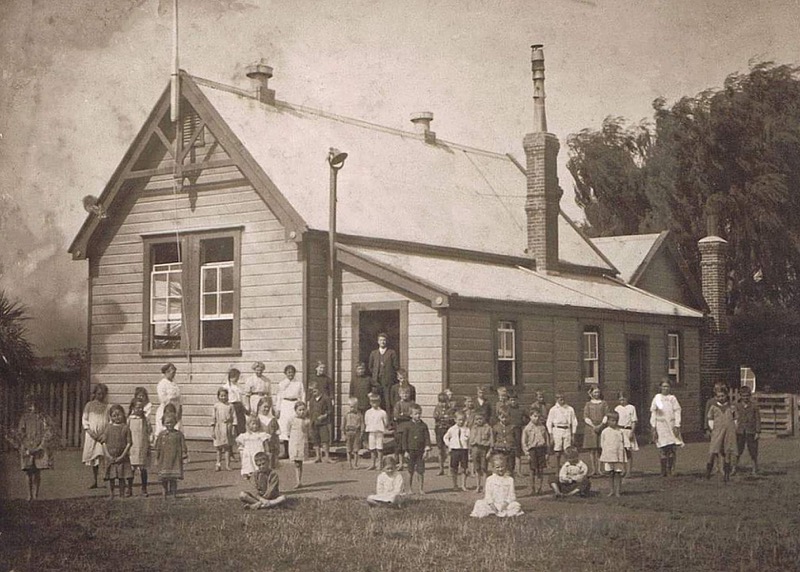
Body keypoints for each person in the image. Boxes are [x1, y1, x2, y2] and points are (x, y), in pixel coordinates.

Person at [7, 394, 56, 501]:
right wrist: (26, 445)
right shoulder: (25, 418)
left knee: (37, 471)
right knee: (28, 471)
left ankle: (35, 494)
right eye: (31, 405)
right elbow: (21, 433)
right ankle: (29, 495)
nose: (34, 407)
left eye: (36, 405)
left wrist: (41, 445)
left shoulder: (43, 418)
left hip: (39, 446)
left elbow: (49, 431)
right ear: (28, 406)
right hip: (27, 447)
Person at [470, 454, 523, 518]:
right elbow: (488, 496)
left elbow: (512, 495)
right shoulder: (490, 479)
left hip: (505, 504)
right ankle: (495, 512)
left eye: (502, 467)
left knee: (516, 505)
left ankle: (499, 513)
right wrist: (492, 505)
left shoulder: (510, 479)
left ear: (506, 467)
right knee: (479, 503)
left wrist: (505, 504)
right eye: (497, 467)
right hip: (493, 504)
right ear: (493, 468)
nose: (500, 469)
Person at [650, 379, 682, 477]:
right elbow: (654, 412)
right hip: (661, 426)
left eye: (667, 386)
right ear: (660, 387)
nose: (665, 388)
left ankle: (670, 469)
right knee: (662, 448)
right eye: (663, 386)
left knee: (671, 448)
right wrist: (653, 427)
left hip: (671, 425)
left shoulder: (672, 398)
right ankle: (663, 470)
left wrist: (677, 425)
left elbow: (677, 411)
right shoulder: (657, 397)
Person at [705, 385, 737, 482]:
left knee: (727, 451)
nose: (721, 398)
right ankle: (708, 473)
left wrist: (734, 428)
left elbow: (735, 418)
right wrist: (712, 429)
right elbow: (710, 419)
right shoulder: (713, 407)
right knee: (713, 451)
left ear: (726, 395)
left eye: (722, 396)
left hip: (729, 432)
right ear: (716, 397)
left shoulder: (731, 407)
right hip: (717, 431)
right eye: (718, 396)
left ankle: (726, 474)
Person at [82, 383, 110, 489]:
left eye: (103, 394)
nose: (101, 396)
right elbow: (85, 420)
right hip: (92, 436)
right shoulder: (89, 405)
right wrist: (91, 433)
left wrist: (105, 434)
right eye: (98, 394)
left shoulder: (107, 407)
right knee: (94, 459)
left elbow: (110, 422)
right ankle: (94, 481)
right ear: (95, 394)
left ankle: (103, 480)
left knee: (102, 458)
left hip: (103, 437)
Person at [155, 409, 188, 499]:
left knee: (173, 479)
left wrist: (184, 456)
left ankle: (173, 495)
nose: (169, 425)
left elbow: (183, 446)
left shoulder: (178, 434)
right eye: (167, 423)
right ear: (163, 423)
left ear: (175, 423)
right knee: (164, 479)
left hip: (175, 459)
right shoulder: (161, 435)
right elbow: (158, 447)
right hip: (164, 460)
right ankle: (164, 495)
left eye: (171, 422)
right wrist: (156, 458)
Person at [104, 404, 133, 499]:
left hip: (122, 457)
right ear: (111, 417)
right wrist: (108, 455)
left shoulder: (125, 428)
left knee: (121, 477)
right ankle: (111, 494)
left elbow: (129, 443)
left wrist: (122, 456)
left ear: (123, 414)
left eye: (119, 415)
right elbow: (104, 442)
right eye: (114, 416)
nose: (117, 418)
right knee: (111, 477)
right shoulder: (108, 428)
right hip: (111, 457)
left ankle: (122, 494)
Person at [277, 364, 305, 459]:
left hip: (295, 405)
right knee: (285, 428)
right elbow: (279, 397)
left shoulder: (299, 383)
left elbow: (302, 395)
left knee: (295, 426)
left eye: (292, 372)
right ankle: (286, 452)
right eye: (288, 372)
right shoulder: (282, 383)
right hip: (285, 405)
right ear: (285, 373)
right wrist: (278, 409)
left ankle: (295, 451)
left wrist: (302, 406)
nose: (290, 374)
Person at [403, 403, 431, 495]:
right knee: (410, 471)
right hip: (410, 451)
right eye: (415, 414)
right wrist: (405, 451)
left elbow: (427, 438)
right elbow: (404, 439)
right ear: (411, 415)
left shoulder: (423, 426)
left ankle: (421, 489)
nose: (418, 415)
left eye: (419, 413)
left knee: (420, 471)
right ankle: (409, 489)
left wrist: (426, 450)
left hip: (420, 451)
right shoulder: (407, 426)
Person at [733, 386, 761, 475]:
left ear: (750, 396)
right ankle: (734, 468)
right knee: (738, 450)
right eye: (743, 396)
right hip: (740, 431)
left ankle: (754, 469)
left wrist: (757, 431)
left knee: (753, 450)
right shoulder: (736, 405)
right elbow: (733, 418)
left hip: (751, 431)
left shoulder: (754, 406)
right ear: (740, 396)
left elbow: (757, 419)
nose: (745, 398)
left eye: (747, 396)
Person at [127, 397, 152, 496]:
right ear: (133, 407)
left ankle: (144, 489)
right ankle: (129, 489)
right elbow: (126, 433)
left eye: (142, 407)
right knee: (131, 469)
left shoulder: (145, 420)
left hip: (142, 446)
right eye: (138, 407)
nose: (140, 409)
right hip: (132, 447)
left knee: (143, 469)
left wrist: (149, 443)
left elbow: (149, 432)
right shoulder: (129, 419)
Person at [368, 333, 399, 411]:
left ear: (386, 341)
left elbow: (396, 366)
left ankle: (387, 417)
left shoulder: (391, 353)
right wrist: (375, 374)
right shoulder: (374, 353)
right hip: (376, 382)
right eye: (381, 340)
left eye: (384, 340)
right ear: (378, 341)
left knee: (387, 401)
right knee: (376, 400)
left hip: (388, 381)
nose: (383, 342)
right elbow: (370, 367)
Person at [521, 409, 549, 496]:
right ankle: (532, 488)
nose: (536, 418)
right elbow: (524, 442)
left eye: (538, 417)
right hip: (532, 450)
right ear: (530, 416)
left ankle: (540, 488)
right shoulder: (527, 428)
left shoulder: (542, 427)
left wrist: (547, 452)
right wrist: (527, 453)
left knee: (541, 469)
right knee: (532, 469)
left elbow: (547, 440)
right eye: (535, 416)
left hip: (541, 449)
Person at [546, 393, 578, 470]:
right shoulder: (553, 409)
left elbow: (574, 422)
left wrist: (573, 434)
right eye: (559, 398)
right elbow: (549, 422)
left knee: (567, 450)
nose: (561, 399)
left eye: (563, 398)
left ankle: (567, 467)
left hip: (567, 430)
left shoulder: (570, 409)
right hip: (557, 430)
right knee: (558, 450)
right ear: (556, 399)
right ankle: (558, 468)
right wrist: (551, 435)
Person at [583, 387, 609, 476]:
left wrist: (601, 425)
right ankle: (593, 469)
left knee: (600, 449)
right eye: (595, 392)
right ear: (591, 393)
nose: (596, 394)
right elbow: (586, 416)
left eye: (598, 392)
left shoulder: (604, 403)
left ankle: (600, 469)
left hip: (601, 427)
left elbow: (606, 415)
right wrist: (593, 426)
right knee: (592, 449)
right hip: (591, 428)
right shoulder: (588, 404)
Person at [599, 411, 625, 497]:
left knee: (618, 473)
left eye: (616, 421)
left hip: (617, 455)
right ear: (608, 421)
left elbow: (622, 443)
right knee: (610, 473)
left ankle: (618, 491)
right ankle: (611, 490)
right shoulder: (605, 432)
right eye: (612, 420)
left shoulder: (620, 431)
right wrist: (605, 453)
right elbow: (602, 444)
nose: (614, 422)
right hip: (608, 455)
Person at [443, 411, 470, 491]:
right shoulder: (452, 429)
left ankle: (463, 485)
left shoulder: (467, 429)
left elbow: (468, 438)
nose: (461, 422)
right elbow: (445, 437)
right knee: (454, 468)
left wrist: (468, 445)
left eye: (463, 420)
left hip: (464, 450)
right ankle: (455, 484)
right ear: (455, 420)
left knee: (464, 468)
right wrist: (449, 445)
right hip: (455, 450)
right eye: (459, 420)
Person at [307, 382, 334, 463]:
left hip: (323, 423)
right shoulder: (312, 400)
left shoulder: (326, 398)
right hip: (314, 423)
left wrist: (324, 415)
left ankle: (327, 457)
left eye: (315, 391)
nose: (313, 393)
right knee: (316, 440)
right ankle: (318, 457)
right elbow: (310, 411)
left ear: (319, 389)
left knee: (325, 440)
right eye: (311, 391)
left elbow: (330, 410)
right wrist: (310, 421)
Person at [614, 392, 639, 477]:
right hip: (619, 430)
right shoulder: (617, 408)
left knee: (628, 451)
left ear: (627, 399)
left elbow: (633, 421)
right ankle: (622, 469)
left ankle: (629, 471)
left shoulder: (631, 407)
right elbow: (615, 421)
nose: (622, 401)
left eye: (623, 399)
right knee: (621, 451)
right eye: (620, 400)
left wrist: (632, 431)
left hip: (628, 430)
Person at [287, 401, 311, 489]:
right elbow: (288, 429)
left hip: (302, 442)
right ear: (295, 410)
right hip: (294, 442)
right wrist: (289, 435)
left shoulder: (306, 420)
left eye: (303, 410)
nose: (302, 412)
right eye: (299, 410)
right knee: (296, 462)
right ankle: (298, 480)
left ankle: (299, 481)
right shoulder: (291, 419)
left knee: (299, 462)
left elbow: (308, 431)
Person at [211, 387, 235, 471]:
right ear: (218, 396)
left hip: (227, 427)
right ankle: (218, 464)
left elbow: (234, 417)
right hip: (218, 428)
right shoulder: (216, 406)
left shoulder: (230, 406)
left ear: (227, 396)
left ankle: (227, 465)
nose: (223, 397)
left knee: (227, 447)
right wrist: (213, 430)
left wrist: (233, 428)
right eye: (221, 396)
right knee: (218, 448)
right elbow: (213, 418)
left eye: (225, 395)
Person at [432, 391, 455, 476]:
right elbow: (435, 416)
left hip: (448, 430)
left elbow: (452, 418)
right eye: (441, 402)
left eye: (445, 402)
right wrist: (444, 417)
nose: (443, 404)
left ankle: (449, 469)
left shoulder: (451, 409)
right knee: (440, 450)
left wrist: (446, 417)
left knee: (449, 450)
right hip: (439, 430)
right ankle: (441, 468)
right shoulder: (437, 408)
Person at [469, 412, 493, 493]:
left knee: (484, 469)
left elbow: (491, 441)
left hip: (484, 449)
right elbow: (470, 440)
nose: (479, 421)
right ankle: (478, 486)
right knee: (477, 469)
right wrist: (470, 452)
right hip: (475, 449)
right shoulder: (473, 428)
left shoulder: (488, 428)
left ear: (484, 419)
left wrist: (490, 451)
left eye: (480, 419)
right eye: (477, 419)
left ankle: (485, 487)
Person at [392, 385, 415, 469]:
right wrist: (406, 416)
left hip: (410, 427)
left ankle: (409, 462)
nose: (405, 395)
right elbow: (396, 416)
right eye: (403, 393)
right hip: (400, 428)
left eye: (407, 393)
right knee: (401, 446)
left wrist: (403, 414)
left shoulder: (412, 403)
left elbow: (412, 414)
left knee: (410, 445)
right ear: (399, 394)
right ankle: (401, 463)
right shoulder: (398, 404)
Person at [506, 390, 527, 477]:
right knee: (509, 450)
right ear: (508, 401)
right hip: (509, 432)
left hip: (518, 431)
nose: (513, 402)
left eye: (514, 400)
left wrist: (523, 424)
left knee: (518, 451)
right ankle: (509, 470)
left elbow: (527, 418)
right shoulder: (507, 410)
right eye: (511, 400)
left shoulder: (521, 410)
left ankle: (519, 471)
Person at [156, 363, 181, 436]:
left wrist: (179, 411)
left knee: (176, 432)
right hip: (166, 411)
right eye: (172, 372)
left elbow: (180, 399)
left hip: (176, 411)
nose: (173, 374)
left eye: (174, 372)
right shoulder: (162, 384)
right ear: (166, 372)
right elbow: (163, 399)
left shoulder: (174, 383)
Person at [221, 368, 247, 437]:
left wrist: (244, 407)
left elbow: (241, 398)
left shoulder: (239, 386)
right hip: (231, 406)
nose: (237, 379)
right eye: (236, 377)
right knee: (232, 426)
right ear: (231, 377)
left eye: (238, 377)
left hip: (239, 407)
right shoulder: (226, 387)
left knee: (241, 425)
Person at [365, 394, 388, 471]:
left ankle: (380, 464)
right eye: (372, 402)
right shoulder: (368, 412)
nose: (374, 403)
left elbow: (386, 422)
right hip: (371, 432)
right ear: (370, 402)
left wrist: (382, 427)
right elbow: (366, 421)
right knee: (372, 448)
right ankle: (373, 464)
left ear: (379, 402)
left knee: (379, 448)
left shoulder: (382, 412)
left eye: (376, 401)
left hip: (379, 432)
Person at [256, 397, 281, 469]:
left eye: (268, 407)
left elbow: (276, 433)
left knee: (271, 465)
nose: (266, 409)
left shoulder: (272, 419)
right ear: (259, 406)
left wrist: (277, 446)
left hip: (271, 445)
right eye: (265, 407)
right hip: (260, 445)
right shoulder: (257, 419)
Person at [491, 410, 517, 475]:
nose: (504, 419)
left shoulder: (512, 427)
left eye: (506, 417)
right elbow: (493, 438)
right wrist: (493, 447)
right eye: (502, 417)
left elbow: (515, 438)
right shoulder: (495, 427)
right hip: (499, 450)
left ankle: (510, 480)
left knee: (510, 467)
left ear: (509, 417)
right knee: (500, 466)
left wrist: (513, 446)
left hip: (510, 449)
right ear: (499, 417)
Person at [342, 397, 364, 469]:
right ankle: (349, 464)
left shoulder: (359, 415)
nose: (352, 408)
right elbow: (343, 425)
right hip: (348, 432)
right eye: (350, 407)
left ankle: (355, 464)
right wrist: (344, 434)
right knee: (348, 450)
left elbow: (362, 424)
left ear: (357, 406)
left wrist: (361, 433)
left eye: (354, 407)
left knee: (356, 450)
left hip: (356, 433)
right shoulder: (346, 415)